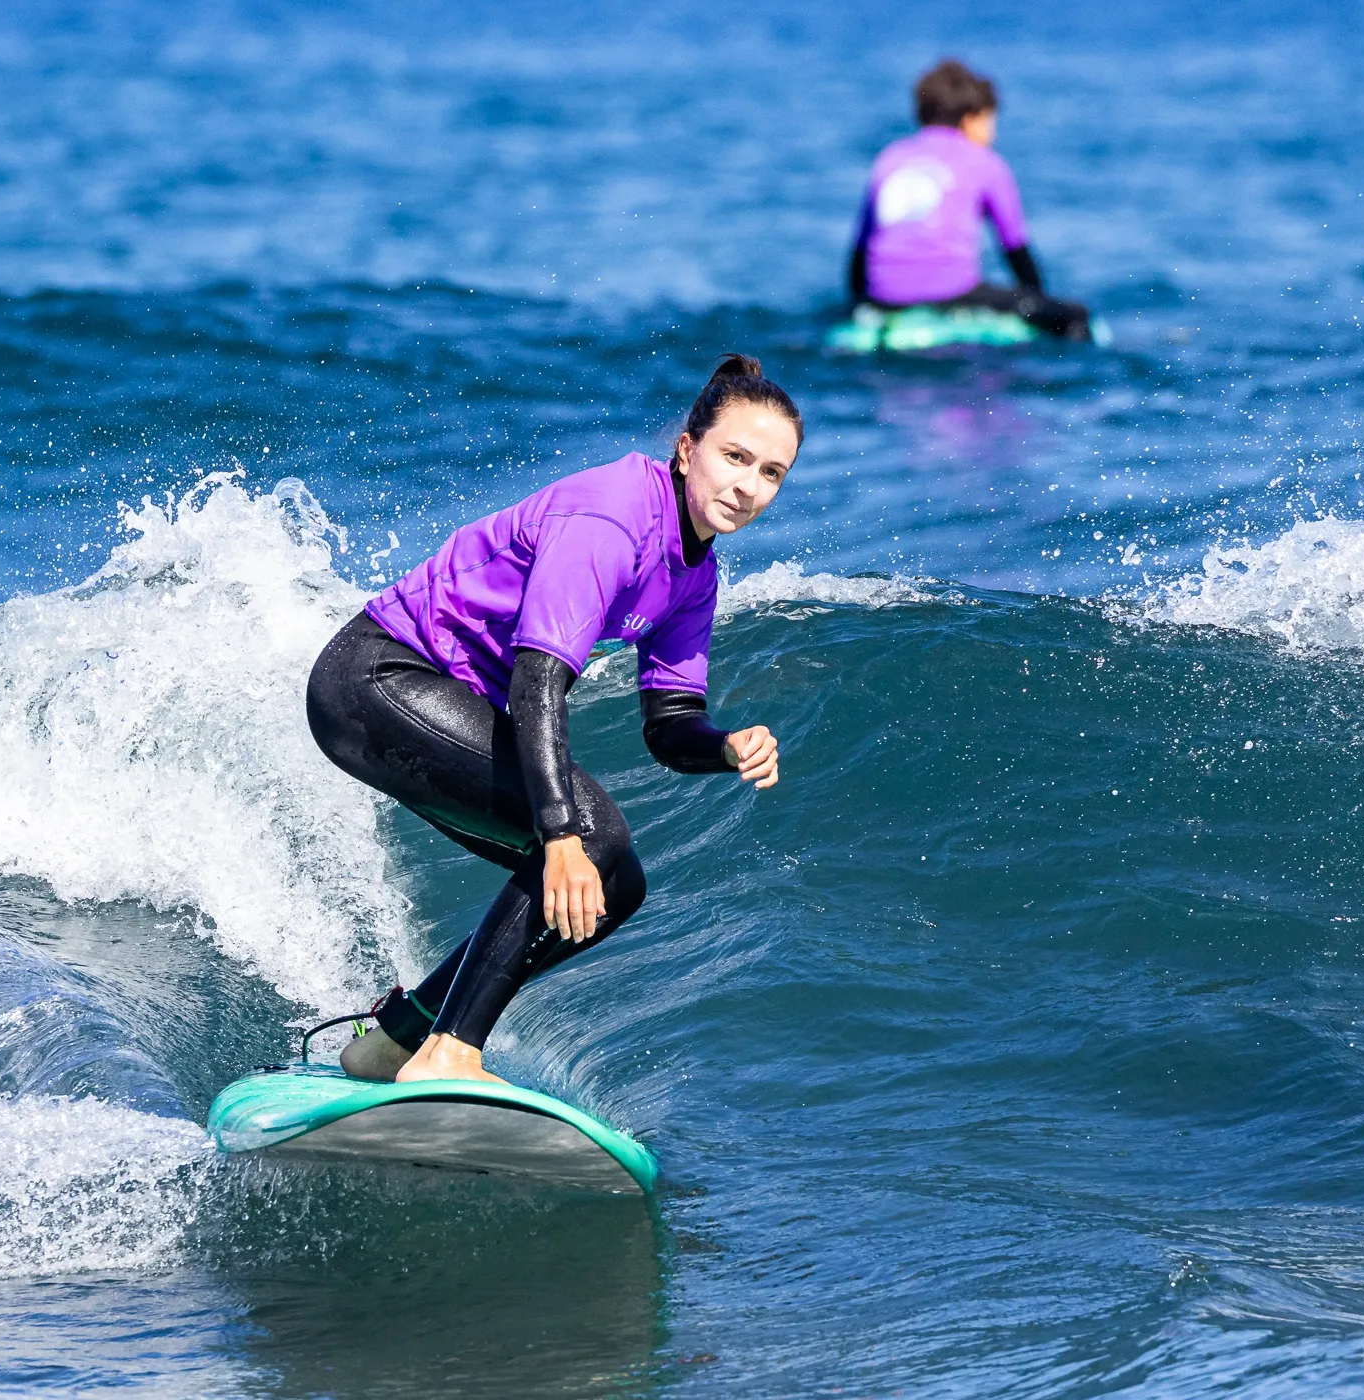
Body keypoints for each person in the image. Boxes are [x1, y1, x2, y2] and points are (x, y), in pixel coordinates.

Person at [305, 355, 799, 1084]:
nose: (748, 486)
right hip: (378, 679)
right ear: (688, 449)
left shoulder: (695, 571)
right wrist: (560, 834)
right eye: (736, 457)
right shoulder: (612, 516)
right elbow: (540, 676)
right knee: (589, 836)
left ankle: (399, 1039)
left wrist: (722, 747)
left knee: (616, 884)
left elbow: (668, 721)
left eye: (771, 473)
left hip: (442, 699)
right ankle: (451, 1052)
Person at [847, 59, 1092, 341]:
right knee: (1076, 316)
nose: (993, 132)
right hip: (951, 296)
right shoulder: (985, 162)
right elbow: (1015, 249)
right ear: (970, 118)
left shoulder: (890, 157)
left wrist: (858, 305)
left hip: (881, 299)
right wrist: (1036, 301)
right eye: (990, 121)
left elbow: (859, 254)